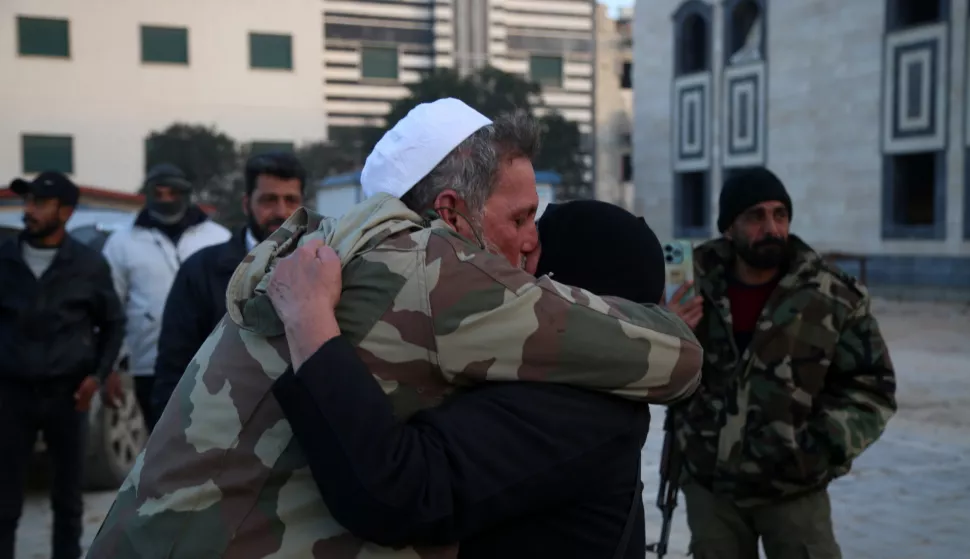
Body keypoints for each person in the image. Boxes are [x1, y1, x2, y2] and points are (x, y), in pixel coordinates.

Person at [87, 99, 702, 559]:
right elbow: (678, 360)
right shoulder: (431, 271)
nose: (531, 239)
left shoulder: (341, 251)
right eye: (519, 216)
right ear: (451, 213)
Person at [268, 199, 672, 559]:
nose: (513, 262)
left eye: (533, 257)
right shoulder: (573, 377)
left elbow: (400, 493)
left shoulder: (580, 408)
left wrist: (310, 323)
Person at [664, 167, 897, 559]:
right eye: (755, 216)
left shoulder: (833, 295)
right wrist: (665, 327)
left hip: (793, 490)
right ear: (729, 227)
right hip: (710, 487)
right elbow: (660, 378)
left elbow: (872, 388)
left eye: (780, 215)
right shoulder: (692, 288)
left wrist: (815, 450)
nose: (771, 227)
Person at [0, 172, 125, 559]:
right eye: (28, 202)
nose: (29, 210)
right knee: (4, 502)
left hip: (68, 397)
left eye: (39, 203)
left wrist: (97, 376)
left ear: (65, 211)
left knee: (68, 503)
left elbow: (114, 322)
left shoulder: (88, 264)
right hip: (11, 395)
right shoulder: (4, 258)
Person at [151, 152, 306, 416]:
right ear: (247, 204)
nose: (281, 212)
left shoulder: (324, 268)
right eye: (268, 200)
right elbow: (174, 367)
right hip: (219, 432)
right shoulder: (200, 271)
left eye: (290, 200)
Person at [101, 163, 230, 431]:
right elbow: (110, 307)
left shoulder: (218, 238)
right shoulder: (122, 242)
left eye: (172, 193)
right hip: (149, 363)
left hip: (213, 361)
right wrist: (110, 365)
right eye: (158, 193)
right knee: (161, 443)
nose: (165, 200)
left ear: (185, 194)